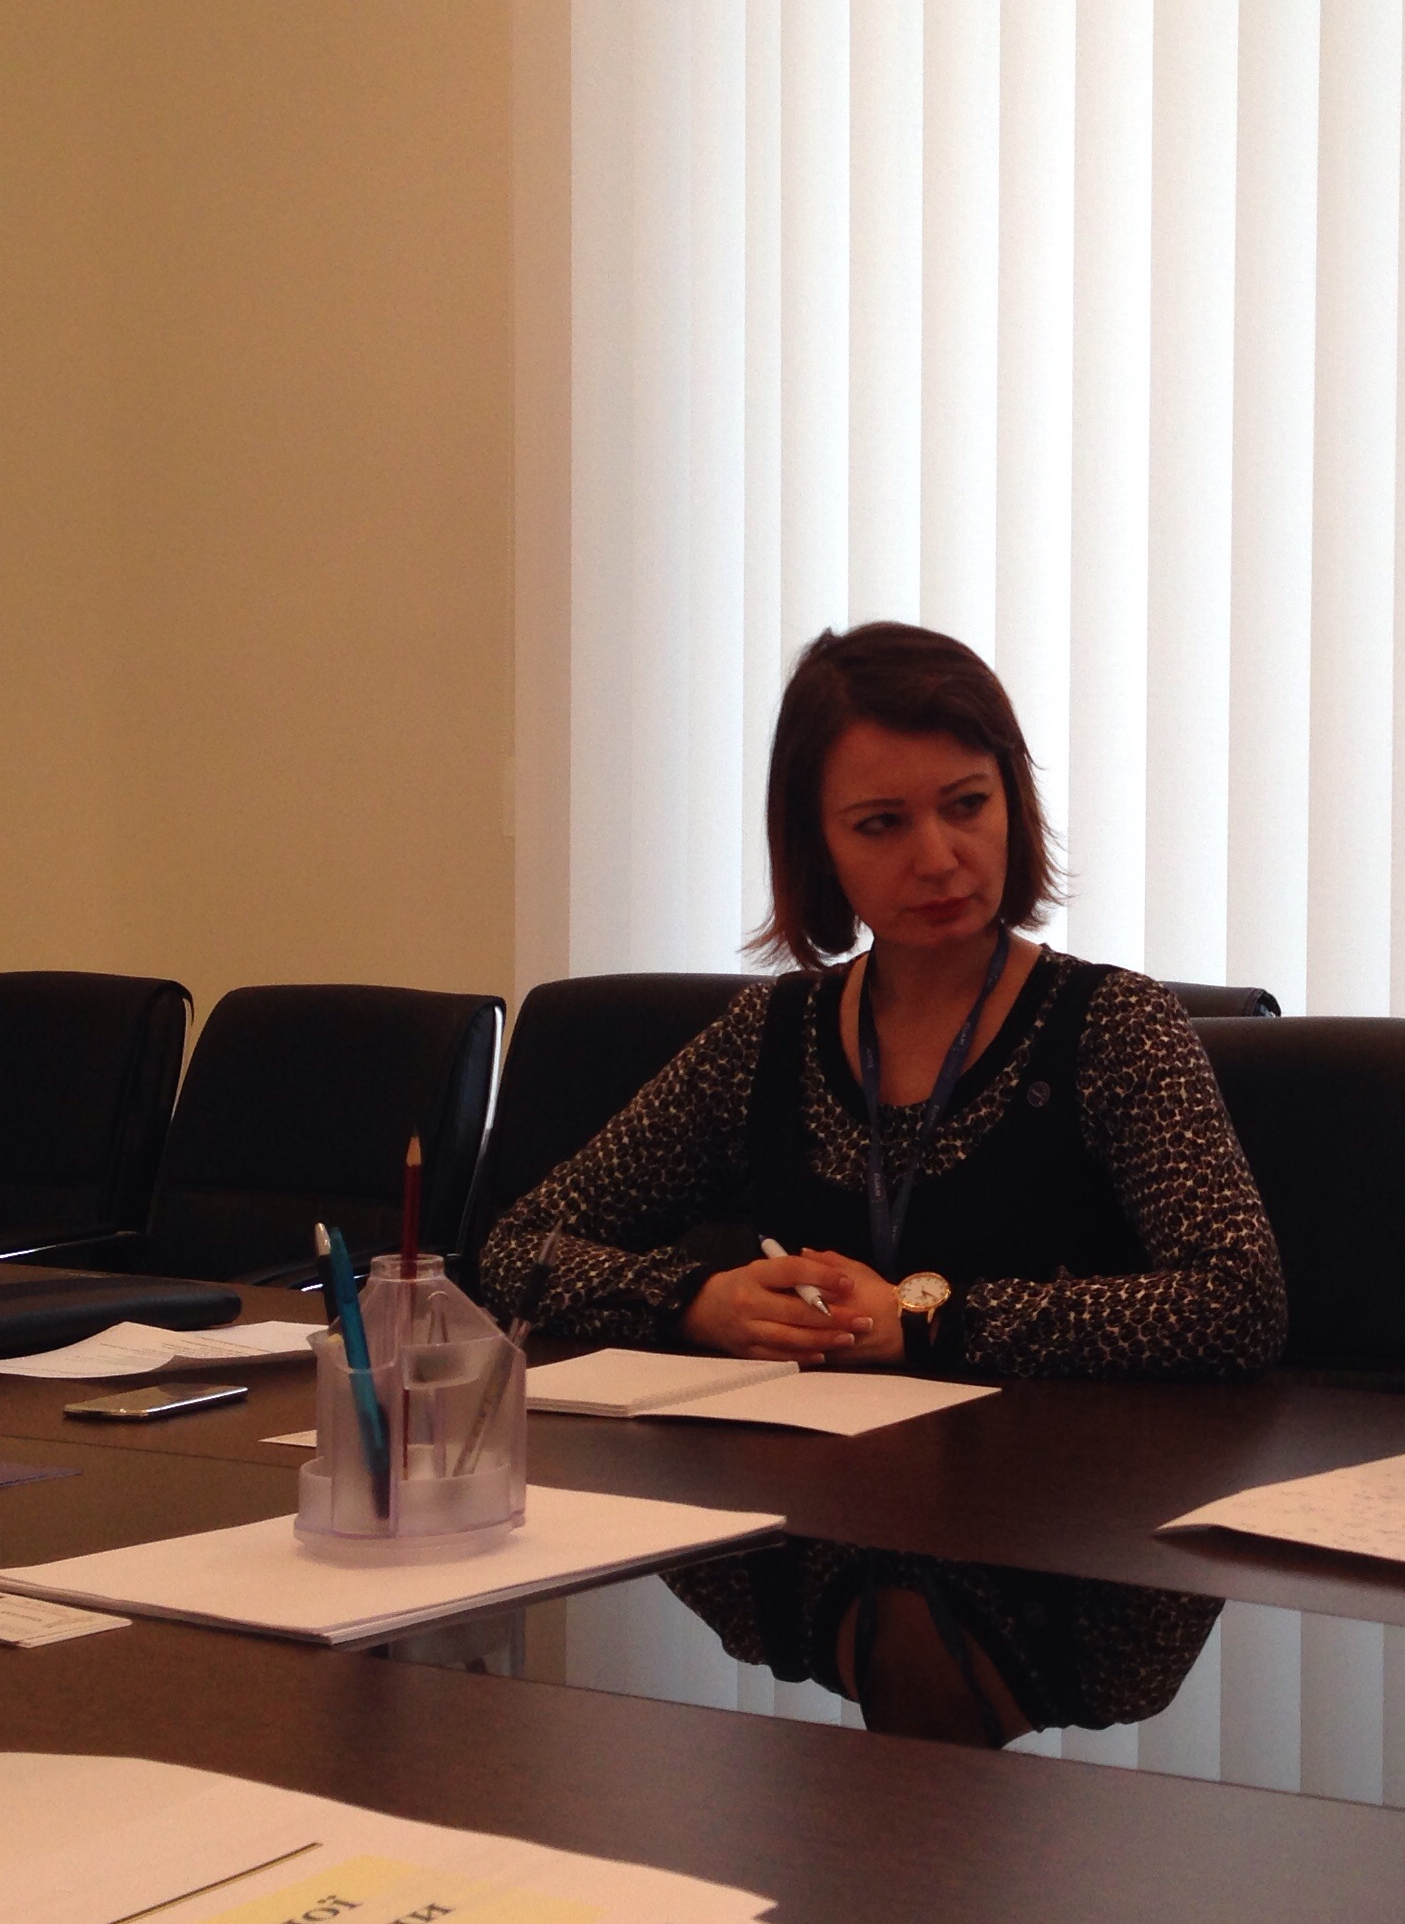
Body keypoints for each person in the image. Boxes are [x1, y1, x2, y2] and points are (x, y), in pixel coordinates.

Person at [478, 620, 1275, 1740]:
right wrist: (695, 1302)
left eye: (967, 805)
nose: (939, 857)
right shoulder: (770, 1037)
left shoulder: (1114, 1027)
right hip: (825, 1510)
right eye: (881, 824)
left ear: (1013, 805)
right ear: (818, 848)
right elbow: (518, 1249)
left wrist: (927, 1322)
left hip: (1067, 1527)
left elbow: (1238, 1301)